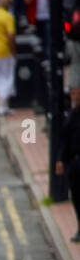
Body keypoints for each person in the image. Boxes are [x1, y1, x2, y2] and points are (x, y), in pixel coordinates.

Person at [55, 85, 80, 240]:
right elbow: (64, 139)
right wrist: (60, 159)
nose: (75, 96)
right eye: (72, 93)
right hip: (75, 162)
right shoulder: (72, 115)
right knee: (77, 196)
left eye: (77, 93)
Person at [24, 0, 50, 67]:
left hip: (46, 16)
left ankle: (47, 59)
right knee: (37, 40)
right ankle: (38, 61)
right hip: (34, 17)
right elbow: (25, 1)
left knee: (47, 40)